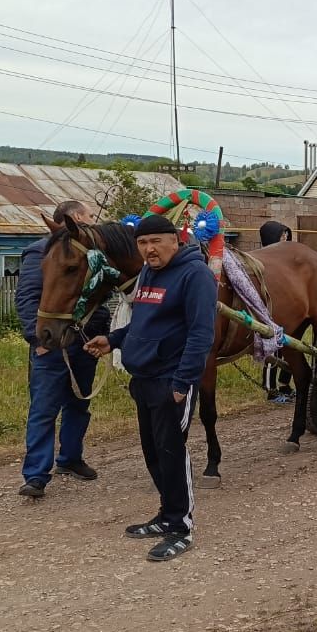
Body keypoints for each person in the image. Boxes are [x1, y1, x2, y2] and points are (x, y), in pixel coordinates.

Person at [83, 214, 218, 562]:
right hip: (143, 378)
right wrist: (112, 339)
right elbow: (141, 324)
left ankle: (182, 527)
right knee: (154, 453)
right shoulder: (147, 274)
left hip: (171, 379)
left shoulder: (195, 275)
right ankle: (167, 514)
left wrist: (182, 383)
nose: (149, 249)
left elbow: (202, 335)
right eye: (142, 243)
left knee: (172, 454)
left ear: (175, 240)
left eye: (156, 241)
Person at [15, 199, 106, 498]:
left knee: (79, 404)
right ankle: (36, 475)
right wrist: (38, 339)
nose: (93, 221)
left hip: (84, 341)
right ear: (76, 218)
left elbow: (98, 300)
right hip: (51, 345)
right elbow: (28, 299)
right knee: (44, 408)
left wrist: (102, 334)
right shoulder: (40, 251)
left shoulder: (92, 255)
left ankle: (70, 458)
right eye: (90, 216)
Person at [259, 220, 295, 403]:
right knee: (272, 351)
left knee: (290, 348)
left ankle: (284, 384)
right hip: (269, 312)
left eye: (287, 236)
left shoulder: (286, 261)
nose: (285, 239)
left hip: (287, 310)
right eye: (282, 236)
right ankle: (270, 389)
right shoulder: (261, 263)